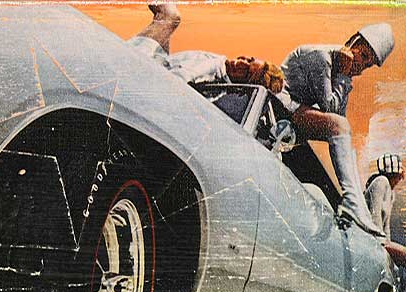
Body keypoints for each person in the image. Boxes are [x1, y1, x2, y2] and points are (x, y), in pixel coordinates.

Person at [277, 24, 395, 237]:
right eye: (363, 56)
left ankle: (356, 203)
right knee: (339, 127)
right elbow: (330, 111)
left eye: (367, 65)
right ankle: (352, 201)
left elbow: (340, 120)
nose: (361, 67)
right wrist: (343, 76)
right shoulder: (322, 58)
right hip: (280, 106)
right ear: (352, 42)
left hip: (295, 114)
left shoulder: (338, 67)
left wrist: (343, 77)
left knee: (344, 135)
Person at [127, 4, 284, 92]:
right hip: (159, 62)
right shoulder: (220, 71)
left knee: (171, 16)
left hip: (141, 66)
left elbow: (176, 79)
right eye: (249, 60)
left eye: (246, 71)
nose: (241, 61)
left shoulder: (213, 70)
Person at [365, 153, 406, 266]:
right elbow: (375, 216)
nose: (399, 180)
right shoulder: (381, 182)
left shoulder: (391, 193)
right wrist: (382, 245)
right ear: (392, 174)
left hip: (379, 239)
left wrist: (388, 246)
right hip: (369, 237)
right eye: (398, 176)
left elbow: (386, 225)